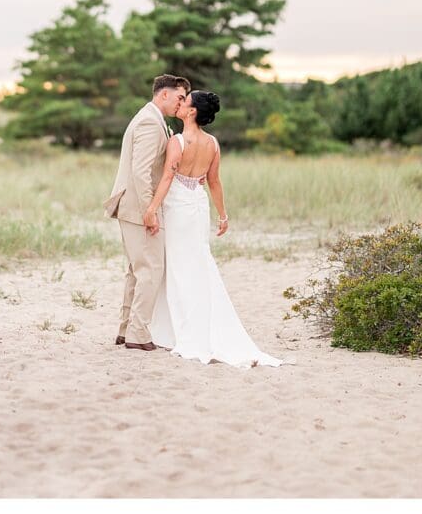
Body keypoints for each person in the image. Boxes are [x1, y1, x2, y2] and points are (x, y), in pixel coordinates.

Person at [144, 90, 286, 368]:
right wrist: (223, 214)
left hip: (178, 207)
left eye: (185, 101)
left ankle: (178, 330)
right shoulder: (213, 143)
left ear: (192, 111)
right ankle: (192, 323)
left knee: (178, 265)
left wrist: (151, 208)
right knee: (197, 261)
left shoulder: (178, 141)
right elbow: (214, 182)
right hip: (198, 206)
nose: (181, 103)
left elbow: (168, 177)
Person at [103, 74, 190, 351]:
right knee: (151, 269)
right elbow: (141, 173)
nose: (181, 103)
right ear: (163, 94)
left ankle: (125, 329)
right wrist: (149, 211)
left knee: (137, 271)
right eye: (179, 97)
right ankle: (138, 334)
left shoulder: (152, 119)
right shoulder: (150, 123)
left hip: (133, 207)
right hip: (139, 208)